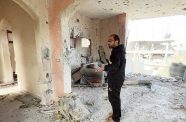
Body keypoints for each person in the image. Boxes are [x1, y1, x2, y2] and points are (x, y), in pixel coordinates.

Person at [97, 34, 126, 122]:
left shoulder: (117, 51)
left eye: (110, 41)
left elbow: (116, 66)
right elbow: (115, 64)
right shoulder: (117, 50)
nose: (108, 42)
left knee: (113, 98)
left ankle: (116, 118)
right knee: (113, 97)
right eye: (108, 41)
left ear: (116, 41)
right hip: (116, 77)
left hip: (116, 78)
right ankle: (116, 113)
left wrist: (105, 68)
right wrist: (107, 65)